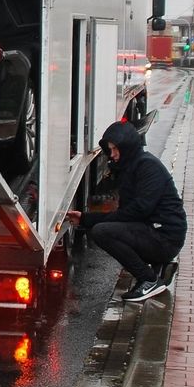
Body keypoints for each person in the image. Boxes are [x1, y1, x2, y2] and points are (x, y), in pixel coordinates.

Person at [66, 120, 186, 302]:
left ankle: (149, 279)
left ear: (127, 147)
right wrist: (85, 219)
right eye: (110, 150)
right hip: (158, 232)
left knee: (103, 232)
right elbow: (128, 214)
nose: (112, 155)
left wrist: (89, 220)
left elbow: (137, 211)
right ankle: (158, 266)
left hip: (166, 237)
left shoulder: (148, 167)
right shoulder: (131, 167)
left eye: (115, 149)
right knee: (110, 228)